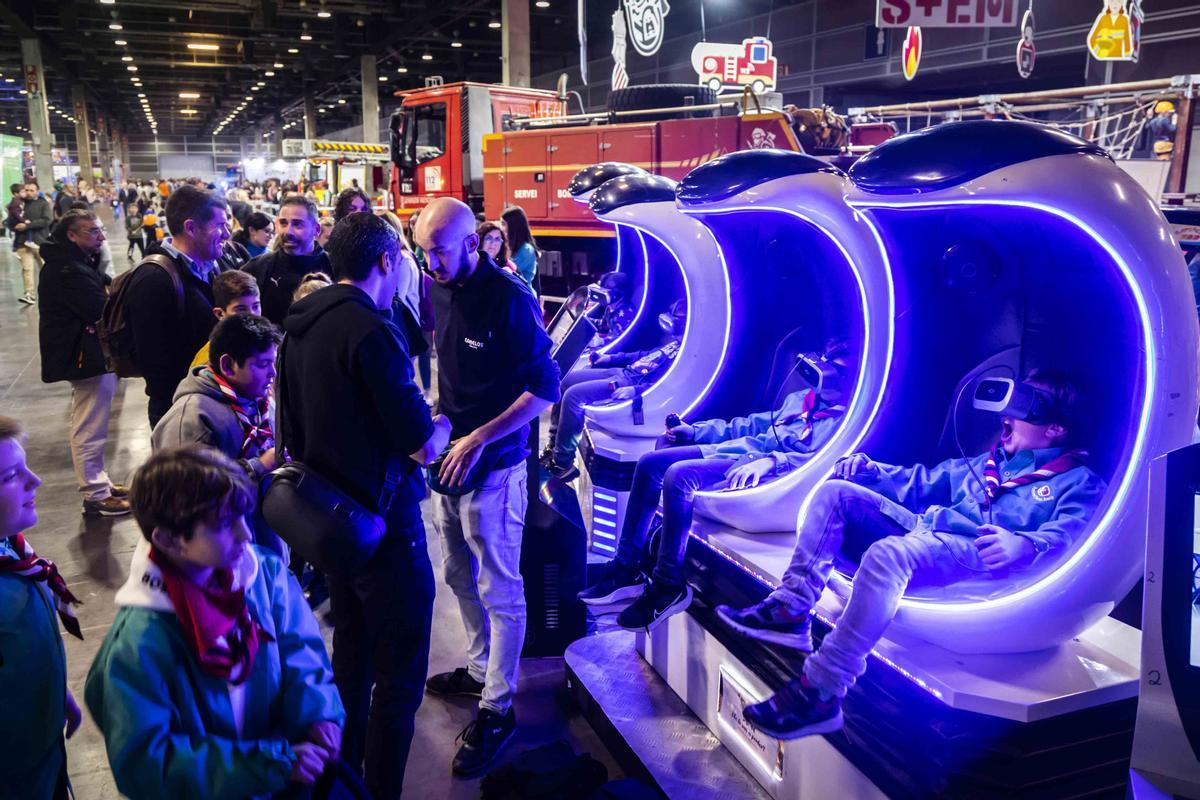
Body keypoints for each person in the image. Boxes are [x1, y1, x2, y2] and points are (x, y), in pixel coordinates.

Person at [717, 369, 1108, 740]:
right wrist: (872, 471)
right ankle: (791, 608)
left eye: (1023, 407)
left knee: (889, 554)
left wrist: (1027, 545)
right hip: (926, 532)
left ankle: (822, 688)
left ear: (1055, 428)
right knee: (835, 493)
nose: (1007, 414)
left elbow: (1075, 536)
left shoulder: (1078, 482)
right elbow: (920, 482)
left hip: (973, 553)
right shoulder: (988, 464)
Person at [280, 211, 451, 798]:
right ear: (386, 260)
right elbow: (422, 445)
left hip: (329, 525)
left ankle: (343, 781)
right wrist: (445, 423)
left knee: (351, 661)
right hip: (383, 530)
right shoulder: (370, 330)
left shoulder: (300, 325)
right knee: (400, 680)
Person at [84, 445, 345, 799]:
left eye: (244, 516)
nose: (246, 535)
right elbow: (145, 763)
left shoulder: (263, 575)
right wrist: (262, 766)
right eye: (224, 524)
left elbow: (300, 649)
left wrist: (318, 711)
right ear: (168, 539)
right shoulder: (138, 643)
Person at [414, 197, 560, 776]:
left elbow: (545, 388)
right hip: (450, 461)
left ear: (473, 243)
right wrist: (440, 420)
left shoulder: (510, 297)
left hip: (495, 465)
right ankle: (479, 669)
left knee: (500, 588)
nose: (430, 264)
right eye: (423, 252)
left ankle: (498, 706)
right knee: (456, 573)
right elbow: (452, 370)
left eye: (439, 251)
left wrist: (477, 437)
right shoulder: (438, 286)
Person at [579, 341, 852, 630]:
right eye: (826, 365)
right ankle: (626, 567)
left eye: (837, 372)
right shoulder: (801, 399)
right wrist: (696, 431)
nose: (826, 375)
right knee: (649, 463)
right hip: (737, 453)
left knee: (679, 477)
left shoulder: (843, 422)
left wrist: (773, 461)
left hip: (770, 474)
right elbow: (750, 425)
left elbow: (822, 462)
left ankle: (667, 584)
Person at [0, 416, 85, 799]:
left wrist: (55, 690)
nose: (35, 480)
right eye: (10, 476)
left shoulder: (13, 550)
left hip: (41, 751)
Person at [37, 210, 130, 517]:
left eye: (101, 230)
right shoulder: (67, 270)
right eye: (93, 232)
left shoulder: (76, 263)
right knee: (90, 424)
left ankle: (99, 482)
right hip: (84, 356)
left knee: (92, 422)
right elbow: (102, 309)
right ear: (71, 235)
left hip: (88, 353)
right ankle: (95, 492)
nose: (101, 236)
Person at [543, 298, 687, 480]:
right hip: (623, 372)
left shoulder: (685, 356)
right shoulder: (674, 343)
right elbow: (643, 356)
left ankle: (562, 462)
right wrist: (609, 358)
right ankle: (554, 444)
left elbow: (668, 385)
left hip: (628, 383)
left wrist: (636, 390)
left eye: (675, 317)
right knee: (566, 380)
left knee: (574, 396)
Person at [126, 184, 228, 428]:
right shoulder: (154, 279)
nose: (226, 234)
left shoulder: (212, 267)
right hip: (179, 411)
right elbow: (154, 362)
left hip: (213, 401)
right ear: (191, 228)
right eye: (220, 226)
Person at [244, 196, 331, 325]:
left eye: (297, 224)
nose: (288, 231)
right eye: (283, 223)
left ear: (316, 230)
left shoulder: (335, 267)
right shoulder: (257, 268)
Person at [13, 181, 54, 305]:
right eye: (27, 190)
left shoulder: (43, 204)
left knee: (46, 268)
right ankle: (29, 294)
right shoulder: (20, 204)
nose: (29, 193)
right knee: (27, 269)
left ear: (37, 191)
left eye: (32, 190)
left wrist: (27, 226)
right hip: (23, 242)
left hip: (40, 241)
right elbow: (12, 219)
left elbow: (47, 220)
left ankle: (51, 292)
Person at [590, 271, 636, 346]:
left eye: (606, 291)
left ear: (619, 293)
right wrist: (588, 321)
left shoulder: (625, 312)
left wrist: (602, 341)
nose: (602, 294)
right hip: (611, 343)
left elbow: (620, 339)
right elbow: (604, 325)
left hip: (623, 348)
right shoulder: (609, 308)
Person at [500, 205, 538, 295]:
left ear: (513, 226)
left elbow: (507, 274)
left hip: (523, 296)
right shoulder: (506, 245)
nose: (501, 228)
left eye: (503, 224)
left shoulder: (526, 250)